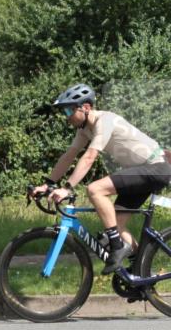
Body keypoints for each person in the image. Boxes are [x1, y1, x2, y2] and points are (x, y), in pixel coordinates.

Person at [31, 83, 171, 274]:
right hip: (142, 170)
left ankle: (117, 246)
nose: (67, 116)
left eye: (69, 110)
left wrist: (67, 188)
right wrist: (48, 184)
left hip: (156, 168)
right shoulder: (84, 130)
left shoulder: (105, 121)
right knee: (116, 224)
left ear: (85, 107)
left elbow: (89, 157)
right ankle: (140, 272)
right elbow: (69, 156)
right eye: (65, 112)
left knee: (95, 189)